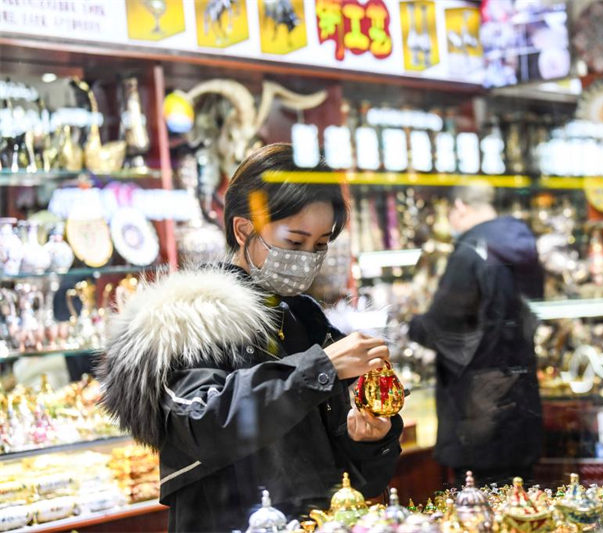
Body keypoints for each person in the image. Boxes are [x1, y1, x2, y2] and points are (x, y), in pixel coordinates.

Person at [99, 144, 403, 532]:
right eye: (295, 242)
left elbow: (356, 482)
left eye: (321, 244)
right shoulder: (190, 320)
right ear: (244, 230)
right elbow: (201, 424)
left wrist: (371, 438)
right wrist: (317, 370)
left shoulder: (306, 321)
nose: (309, 257)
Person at [408, 181, 543, 487]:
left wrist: (411, 324)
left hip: (478, 416)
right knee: (525, 509)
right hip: (521, 404)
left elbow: (444, 325)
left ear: (459, 208)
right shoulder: (521, 247)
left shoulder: (470, 253)